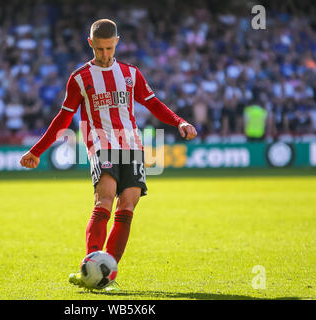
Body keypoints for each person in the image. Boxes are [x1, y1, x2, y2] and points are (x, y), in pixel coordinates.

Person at [20, 19, 197, 290]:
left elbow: (153, 103)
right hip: (101, 145)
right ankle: (89, 266)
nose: (104, 55)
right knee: (105, 200)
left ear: (117, 42)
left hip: (132, 146)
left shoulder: (130, 73)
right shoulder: (80, 78)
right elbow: (63, 119)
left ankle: (105, 274)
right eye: (99, 49)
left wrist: (179, 121)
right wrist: (37, 151)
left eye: (109, 48)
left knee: (127, 206)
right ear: (90, 44)